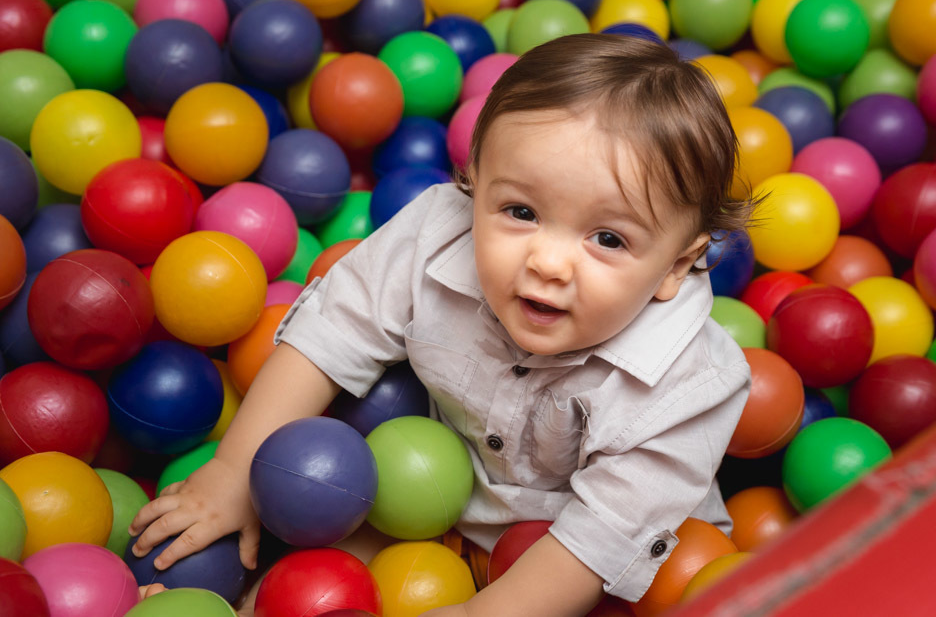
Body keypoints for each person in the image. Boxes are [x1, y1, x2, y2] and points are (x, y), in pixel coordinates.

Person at [129, 33, 755, 616]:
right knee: (303, 592)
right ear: (471, 185)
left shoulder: (690, 383)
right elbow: (332, 329)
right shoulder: (437, 234)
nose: (548, 261)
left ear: (676, 266)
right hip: (429, 496)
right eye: (520, 211)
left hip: (585, 573)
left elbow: (605, 536)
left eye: (609, 238)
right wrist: (236, 470)